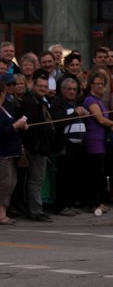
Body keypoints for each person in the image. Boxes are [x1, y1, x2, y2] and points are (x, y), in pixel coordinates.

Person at [19, 69, 57, 222]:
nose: (43, 88)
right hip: (35, 149)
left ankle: (34, 209)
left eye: (45, 86)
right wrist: (37, 147)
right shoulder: (30, 102)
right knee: (35, 180)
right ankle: (35, 211)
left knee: (35, 180)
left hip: (41, 147)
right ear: (33, 86)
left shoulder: (41, 101)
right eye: (40, 86)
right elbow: (33, 129)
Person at [50, 75, 89, 216]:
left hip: (77, 146)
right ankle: (61, 206)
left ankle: (69, 203)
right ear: (62, 90)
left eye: (74, 89)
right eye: (69, 89)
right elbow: (59, 122)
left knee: (73, 176)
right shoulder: (57, 103)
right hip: (65, 146)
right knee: (64, 177)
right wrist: (74, 113)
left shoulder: (75, 103)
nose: (72, 92)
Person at [82, 68, 113, 216]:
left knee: (101, 173)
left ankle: (99, 201)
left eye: (102, 84)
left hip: (101, 140)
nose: (100, 86)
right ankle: (93, 202)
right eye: (97, 83)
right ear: (91, 84)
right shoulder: (90, 100)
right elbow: (100, 119)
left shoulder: (100, 100)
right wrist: (112, 124)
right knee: (95, 173)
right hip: (93, 140)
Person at [0, 76, 28, 226]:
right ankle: (1, 213)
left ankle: (4, 209)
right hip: (2, 152)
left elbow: (13, 123)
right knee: (4, 183)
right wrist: (14, 126)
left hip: (12, 150)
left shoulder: (7, 106)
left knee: (12, 182)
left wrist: (21, 125)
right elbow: (4, 129)